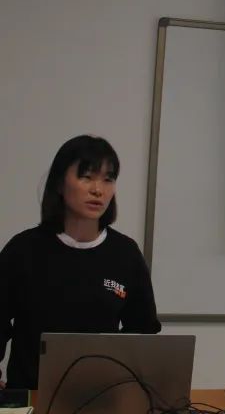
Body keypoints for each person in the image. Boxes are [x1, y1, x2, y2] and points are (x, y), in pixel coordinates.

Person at [0, 135, 161, 389]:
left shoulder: (125, 254)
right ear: (59, 184)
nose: (98, 189)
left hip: (103, 395)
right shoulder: (23, 250)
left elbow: (143, 330)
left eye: (108, 179)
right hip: (31, 393)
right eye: (86, 177)